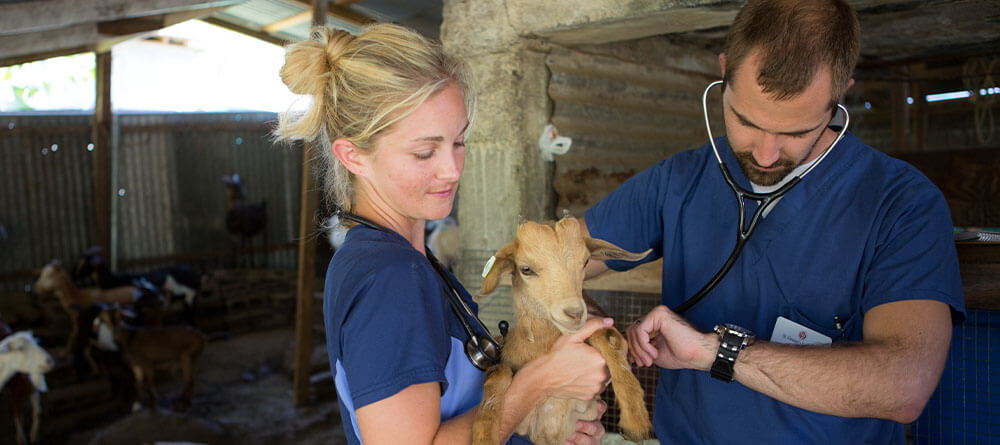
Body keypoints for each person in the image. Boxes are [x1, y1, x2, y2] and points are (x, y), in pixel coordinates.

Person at [580, 0, 965, 443]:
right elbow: (543, 259)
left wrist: (716, 353)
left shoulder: (901, 203)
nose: (765, 155)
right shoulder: (678, 181)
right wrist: (590, 326)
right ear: (724, 71)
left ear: (840, 96)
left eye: (796, 132)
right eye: (745, 121)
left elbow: (903, 386)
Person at [275, 23, 612, 445]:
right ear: (353, 156)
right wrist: (542, 381)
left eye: (459, 141)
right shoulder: (391, 276)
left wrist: (543, 421)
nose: (452, 170)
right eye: (424, 152)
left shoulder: (399, 258)